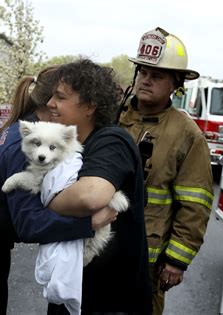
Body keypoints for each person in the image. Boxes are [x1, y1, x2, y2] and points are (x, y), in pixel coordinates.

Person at [0, 66, 119, 314]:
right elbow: (29, 223)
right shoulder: (26, 147)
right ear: (51, 105)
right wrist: (87, 224)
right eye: (60, 97)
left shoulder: (23, 131)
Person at [118, 27, 214, 315]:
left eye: (157, 76)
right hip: (96, 247)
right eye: (143, 72)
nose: (146, 80)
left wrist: (176, 260)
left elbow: (195, 204)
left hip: (145, 260)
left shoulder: (187, 135)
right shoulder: (114, 115)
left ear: (177, 84)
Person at [45, 59, 152, 314]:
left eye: (60, 97)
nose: (50, 103)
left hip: (112, 302)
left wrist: (48, 201)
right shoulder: (71, 146)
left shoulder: (112, 141)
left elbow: (90, 197)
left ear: (90, 106)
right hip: (73, 295)